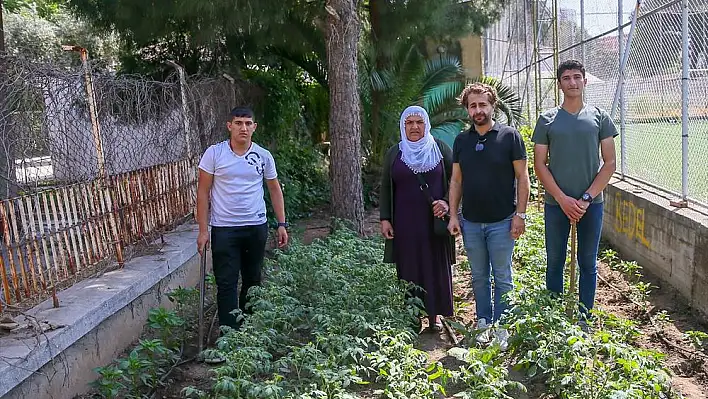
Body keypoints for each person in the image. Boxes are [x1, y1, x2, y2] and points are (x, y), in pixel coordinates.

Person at [531, 60, 617, 326]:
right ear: (559, 84)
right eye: (566, 78)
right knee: (555, 260)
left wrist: (586, 198)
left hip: (591, 205)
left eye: (577, 77)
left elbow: (610, 163)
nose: (572, 82)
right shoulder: (547, 120)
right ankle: (555, 317)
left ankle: (584, 317)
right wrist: (561, 198)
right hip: (557, 205)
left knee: (588, 262)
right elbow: (539, 164)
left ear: (585, 81)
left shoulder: (600, 117)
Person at [447, 83, 530, 348]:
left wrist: (520, 215)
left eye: (483, 104)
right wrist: (453, 216)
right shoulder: (462, 140)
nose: (478, 110)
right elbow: (456, 181)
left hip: (503, 222)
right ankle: (483, 322)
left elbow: (523, 177)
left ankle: (502, 325)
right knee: (479, 276)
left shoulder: (510, 137)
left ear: (493, 106)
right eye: (473, 105)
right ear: (467, 109)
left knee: (503, 276)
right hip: (471, 222)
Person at [196, 106, 289, 331]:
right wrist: (202, 230)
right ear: (229, 126)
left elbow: (275, 189)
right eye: (238, 123)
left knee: (252, 280)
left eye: (248, 124)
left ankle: (248, 332)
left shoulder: (263, 155)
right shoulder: (214, 154)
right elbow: (202, 191)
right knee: (226, 282)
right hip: (224, 228)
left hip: (255, 227)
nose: (243, 128)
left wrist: (282, 224)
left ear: (254, 127)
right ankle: (229, 334)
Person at [379, 105, 455, 333]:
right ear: (403, 126)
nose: (414, 127)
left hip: (434, 223)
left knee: (435, 266)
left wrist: (446, 202)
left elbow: (456, 181)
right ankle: (413, 316)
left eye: (419, 122)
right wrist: (385, 219)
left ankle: (435, 316)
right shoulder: (395, 153)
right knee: (409, 267)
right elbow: (385, 186)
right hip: (404, 223)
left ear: (426, 125)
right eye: (409, 123)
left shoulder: (440, 149)